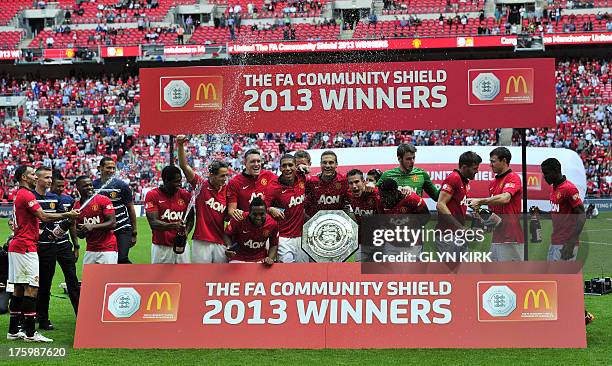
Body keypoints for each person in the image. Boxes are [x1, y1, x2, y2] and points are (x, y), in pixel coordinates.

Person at [7, 165, 78, 343]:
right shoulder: (27, 194)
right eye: (32, 174)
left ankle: (14, 330)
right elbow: (44, 217)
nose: (34, 176)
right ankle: (30, 333)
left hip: (18, 245)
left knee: (18, 288)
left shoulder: (19, 195)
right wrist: (68, 213)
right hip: (25, 246)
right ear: (25, 177)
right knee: (32, 288)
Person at [33, 167, 79, 331]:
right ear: (36, 179)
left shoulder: (55, 198)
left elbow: (63, 221)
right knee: (41, 284)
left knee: (69, 280)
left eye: (50, 177)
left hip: (57, 245)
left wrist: (65, 226)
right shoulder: (31, 197)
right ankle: (40, 317)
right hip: (38, 247)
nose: (50, 180)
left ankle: (81, 317)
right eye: (46, 177)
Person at [177, 135, 229, 263]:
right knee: (200, 276)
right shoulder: (201, 185)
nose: (225, 179)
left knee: (220, 279)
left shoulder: (228, 190)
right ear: (212, 175)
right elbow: (184, 166)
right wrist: (180, 145)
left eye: (226, 175)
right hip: (202, 240)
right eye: (222, 176)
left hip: (220, 240)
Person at [470, 147, 524, 261]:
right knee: (494, 275)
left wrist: (480, 201)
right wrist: (484, 220)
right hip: (497, 237)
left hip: (511, 237)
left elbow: (505, 198)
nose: (490, 164)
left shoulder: (513, 178)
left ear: (504, 161)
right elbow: (495, 213)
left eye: (493, 161)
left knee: (509, 277)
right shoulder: (492, 183)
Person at [435, 151, 482, 255]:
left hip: (458, 235)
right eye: (474, 169)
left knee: (464, 269)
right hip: (447, 235)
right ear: (464, 167)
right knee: (452, 270)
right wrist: (460, 228)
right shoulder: (454, 178)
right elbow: (440, 205)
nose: (477, 171)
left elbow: (454, 209)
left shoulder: (464, 181)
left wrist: (472, 216)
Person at [93, 157, 137, 263]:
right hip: (105, 229)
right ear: (100, 168)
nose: (112, 171)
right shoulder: (93, 186)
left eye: (113, 168)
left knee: (122, 258)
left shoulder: (122, 186)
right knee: (109, 260)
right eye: (108, 167)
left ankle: (136, 277)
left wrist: (134, 231)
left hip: (122, 227)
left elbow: (130, 208)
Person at [145, 166, 192, 264]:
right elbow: (153, 223)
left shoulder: (185, 195)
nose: (179, 184)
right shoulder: (152, 195)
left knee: (184, 276)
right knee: (161, 279)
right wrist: (174, 225)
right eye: (176, 181)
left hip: (181, 245)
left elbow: (191, 218)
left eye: (180, 181)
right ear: (166, 181)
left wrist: (185, 233)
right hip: (161, 247)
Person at [541, 158, 586, 261]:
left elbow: (582, 215)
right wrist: (540, 213)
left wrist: (572, 242)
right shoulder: (553, 188)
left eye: (546, 173)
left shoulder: (569, 189)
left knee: (561, 276)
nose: (544, 176)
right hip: (555, 241)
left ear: (556, 170)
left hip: (566, 242)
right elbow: (556, 214)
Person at [265, 154, 307, 263]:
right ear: (280, 168)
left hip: (301, 236)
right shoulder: (272, 187)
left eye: (290, 165)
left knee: (304, 271)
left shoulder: (302, 178)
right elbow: (262, 207)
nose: (287, 168)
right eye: (284, 166)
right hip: (283, 238)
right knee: (287, 271)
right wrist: (270, 209)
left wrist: (305, 167)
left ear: (295, 167)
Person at [377, 178, 430, 258]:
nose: (383, 200)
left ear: (395, 192)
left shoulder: (412, 199)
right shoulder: (380, 202)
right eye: (381, 196)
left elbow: (426, 216)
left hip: (412, 244)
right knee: (389, 270)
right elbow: (383, 221)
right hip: (392, 244)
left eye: (385, 196)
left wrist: (413, 231)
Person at [73, 176, 118, 265]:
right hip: (90, 249)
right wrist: (79, 232)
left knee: (107, 278)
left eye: (90, 185)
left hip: (107, 249)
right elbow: (81, 234)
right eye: (85, 186)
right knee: (89, 279)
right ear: (78, 188)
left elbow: (112, 223)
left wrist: (92, 226)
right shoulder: (77, 207)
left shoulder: (103, 200)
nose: (89, 187)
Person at [223, 197, 279, 265]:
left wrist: (270, 258)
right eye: (254, 214)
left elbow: (274, 244)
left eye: (262, 214)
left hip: (260, 258)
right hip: (238, 257)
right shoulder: (239, 218)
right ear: (249, 212)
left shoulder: (272, 223)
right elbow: (226, 234)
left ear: (266, 212)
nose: (258, 218)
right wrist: (229, 247)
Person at [227, 149, 277, 220]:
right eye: (252, 162)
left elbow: (286, 182)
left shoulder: (269, 176)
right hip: (246, 225)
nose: (256, 164)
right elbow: (231, 211)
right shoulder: (235, 182)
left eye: (258, 161)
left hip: (267, 225)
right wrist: (237, 213)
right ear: (245, 163)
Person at [347, 169, 381, 262]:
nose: (354, 186)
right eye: (351, 183)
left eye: (357, 182)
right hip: (362, 244)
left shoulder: (376, 194)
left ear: (363, 181)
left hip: (381, 243)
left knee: (383, 275)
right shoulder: (348, 195)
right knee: (359, 273)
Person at [304, 151, 348, 219]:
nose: (327, 166)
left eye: (331, 162)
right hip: (317, 222)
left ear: (336, 164)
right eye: (324, 163)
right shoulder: (311, 181)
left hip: (338, 221)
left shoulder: (344, 180)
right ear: (320, 164)